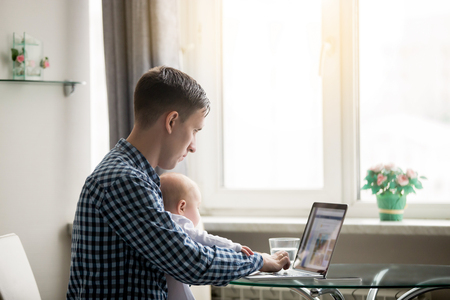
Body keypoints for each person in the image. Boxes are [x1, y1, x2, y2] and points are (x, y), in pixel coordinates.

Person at [66, 66, 290, 300]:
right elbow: (190, 261)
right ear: (172, 121)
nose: (194, 145)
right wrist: (258, 261)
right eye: (194, 130)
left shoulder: (132, 176)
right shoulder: (124, 180)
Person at [160, 172, 253, 300]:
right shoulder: (178, 224)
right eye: (197, 207)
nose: (199, 212)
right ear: (182, 207)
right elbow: (205, 239)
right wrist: (233, 247)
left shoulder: (159, 225)